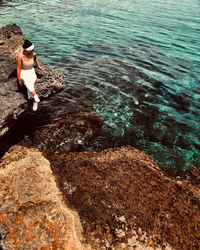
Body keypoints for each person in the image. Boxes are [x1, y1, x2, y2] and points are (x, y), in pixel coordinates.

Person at [17, 39, 44, 111]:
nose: (32, 51)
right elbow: (18, 69)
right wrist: (19, 79)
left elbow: (36, 61)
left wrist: (39, 67)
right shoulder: (20, 56)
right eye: (30, 50)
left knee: (30, 83)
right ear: (26, 50)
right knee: (27, 81)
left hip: (31, 72)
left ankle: (34, 100)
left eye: (32, 50)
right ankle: (35, 96)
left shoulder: (33, 54)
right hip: (24, 72)